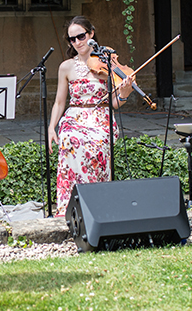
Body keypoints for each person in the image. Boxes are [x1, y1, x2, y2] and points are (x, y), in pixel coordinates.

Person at [47, 16, 134, 217]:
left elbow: (114, 103)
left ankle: (97, 205)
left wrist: (124, 94)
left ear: (91, 34)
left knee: (97, 145)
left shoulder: (107, 63)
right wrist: (52, 127)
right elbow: (60, 102)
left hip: (101, 116)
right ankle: (71, 206)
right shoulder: (66, 67)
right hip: (74, 116)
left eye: (81, 36)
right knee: (70, 139)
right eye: (72, 39)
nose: (77, 42)